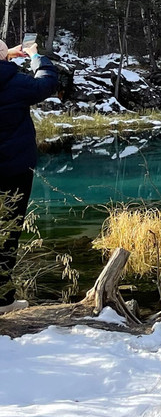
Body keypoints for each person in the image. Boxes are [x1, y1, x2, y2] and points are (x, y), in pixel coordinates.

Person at [0, 39, 58, 314]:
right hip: (14, 171)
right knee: (7, 231)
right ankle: (3, 300)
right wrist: (35, 56)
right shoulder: (17, 83)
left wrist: (4, 56)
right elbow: (47, 83)